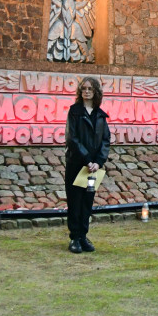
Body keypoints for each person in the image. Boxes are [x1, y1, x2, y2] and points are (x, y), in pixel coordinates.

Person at [65, 76, 111, 253]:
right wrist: (87, 160)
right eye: (83, 88)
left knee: (87, 201)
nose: (86, 91)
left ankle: (83, 236)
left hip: (93, 170)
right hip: (77, 165)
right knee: (75, 200)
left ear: (96, 92)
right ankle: (74, 238)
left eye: (90, 89)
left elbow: (105, 140)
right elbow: (72, 139)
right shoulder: (74, 112)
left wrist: (98, 162)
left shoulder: (100, 115)